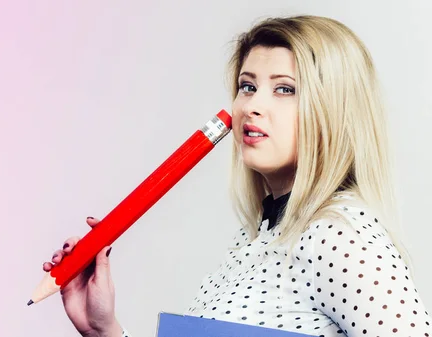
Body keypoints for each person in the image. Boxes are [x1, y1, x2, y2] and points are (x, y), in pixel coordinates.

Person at [41, 15, 431, 337]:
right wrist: (102, 329)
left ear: (333, 109)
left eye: (284, 89)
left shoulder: (339, 234)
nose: (252, 105)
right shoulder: (254, 239)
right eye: (248, 86)